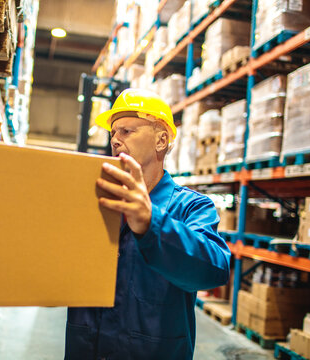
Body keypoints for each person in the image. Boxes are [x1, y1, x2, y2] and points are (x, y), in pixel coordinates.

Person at [65, 88, 231, 359]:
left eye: (127, 131)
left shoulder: (192, 207)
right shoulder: (94, 202)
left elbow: (214, 270)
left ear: (161, 140)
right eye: (113, 133)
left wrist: (152, 223)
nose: (115, 140)